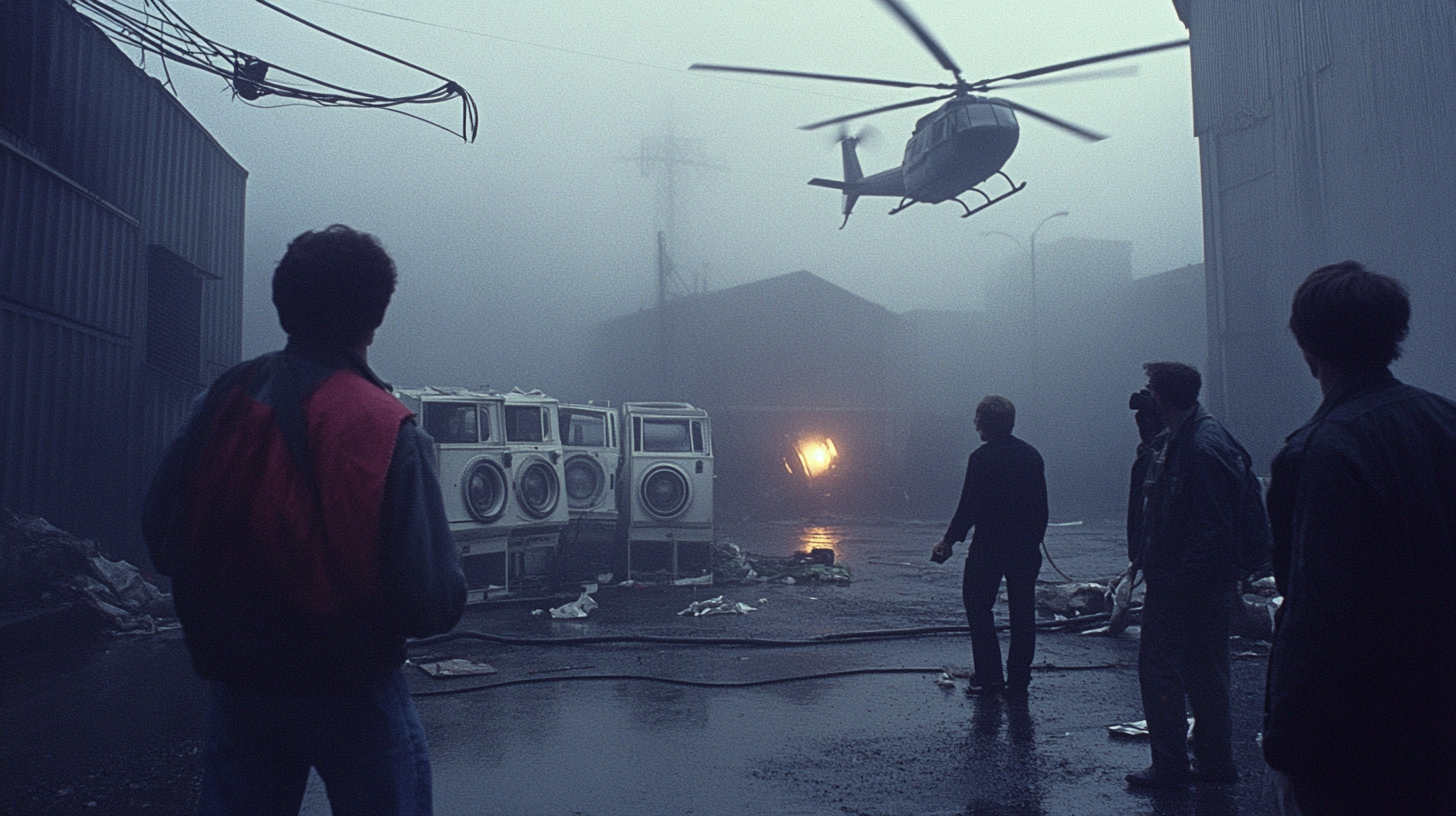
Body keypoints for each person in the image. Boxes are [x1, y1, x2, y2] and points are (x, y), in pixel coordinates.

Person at [142, 225, 467, 816]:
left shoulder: (223, 398)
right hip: (353, 687)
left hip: (240, 680)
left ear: (284, 304)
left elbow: (162, 534)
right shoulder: (389, 429)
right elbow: (428, 603)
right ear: (376, 317)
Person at [1263, 261, 1456, 815]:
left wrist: (1287, 746)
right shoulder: (1445, 422)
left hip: (1362, 746)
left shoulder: (1321, 452)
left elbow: (1316, 616)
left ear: (1306, 345)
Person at [1126, 361, 1270, 789]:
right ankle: (1214, 761)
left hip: (1188, 584)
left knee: (1161, 670)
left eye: (1150, 390)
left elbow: (1211, 526)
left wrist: (1176, 584)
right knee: (1205, 671)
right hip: (1201, 581)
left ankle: (1172, 766)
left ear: (1160, 396)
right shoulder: (1189, 436)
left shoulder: (1201, 447)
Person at [931, 395, 1048, 704]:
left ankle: (990, 677)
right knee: (1023, 614)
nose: (975, 424)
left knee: (979, 607)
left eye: (977, 419)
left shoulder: (981, 459)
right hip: (1024, 548)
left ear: (984, 423)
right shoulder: (1032, 456)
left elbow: (969, 506)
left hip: (989, 548)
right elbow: (1041, 509)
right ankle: (1019, 680)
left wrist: (949, 541)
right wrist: (1033, 541)